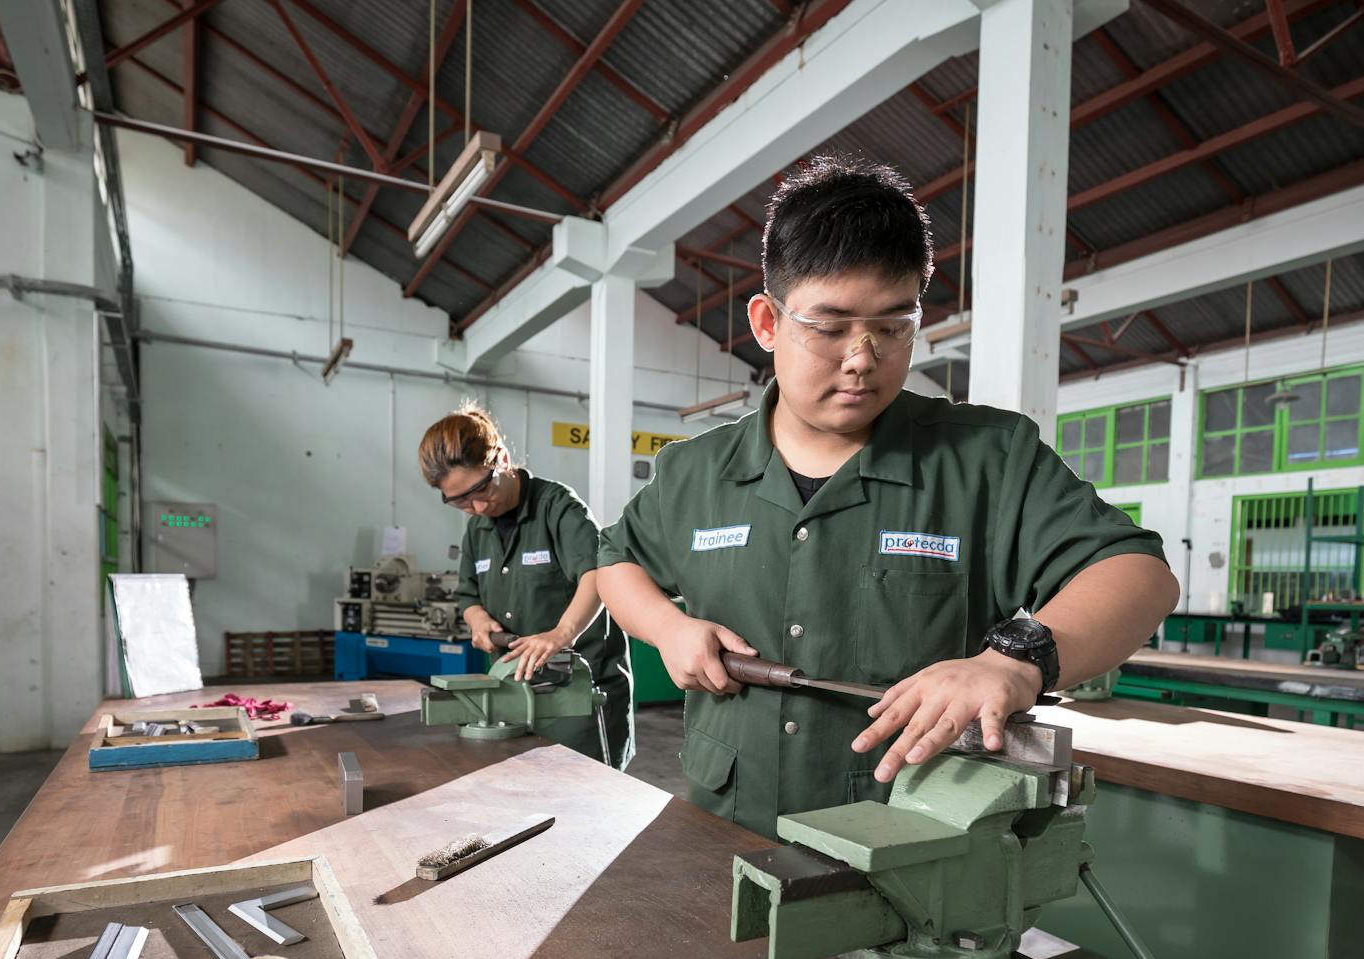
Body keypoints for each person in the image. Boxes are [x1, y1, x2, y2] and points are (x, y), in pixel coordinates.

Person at [596, 153, 1177, 838]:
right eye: (830, 326)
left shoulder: (986, 460)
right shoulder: (694, 472)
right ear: (766, 322)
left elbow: (1139, 575)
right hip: (724, 830)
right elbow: (614, 559)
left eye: (893, 325)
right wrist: (671, 628)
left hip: (912, 846)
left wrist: (1014, 661)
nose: (862, 357)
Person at [419, 405, 634, 768]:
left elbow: (599, 574)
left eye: (479, 490)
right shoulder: (477, 527)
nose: (475, 506)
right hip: (513, 692)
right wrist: (478, 621)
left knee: (584, 802)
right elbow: (468, 594)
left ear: (501, 459)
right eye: (458, 501)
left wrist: (561, 633)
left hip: (576, 695)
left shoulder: (558, 508)